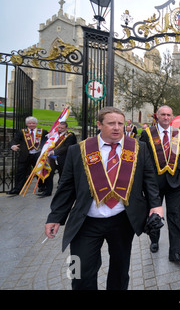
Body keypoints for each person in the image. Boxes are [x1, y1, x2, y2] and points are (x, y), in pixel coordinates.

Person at [44, 107, 163, 290]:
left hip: (122, 220)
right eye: (111, 123)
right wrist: (55, 217)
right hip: (86, 222)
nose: (117, 128)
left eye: (120, 124)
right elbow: (66, 187)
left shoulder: (139, 148)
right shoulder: (78, 150)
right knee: (79, 272)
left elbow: (149, 179)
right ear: (99, 124)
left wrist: (155, 206)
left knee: (120, 270)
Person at [140, 105, 180, 262]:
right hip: (154, 184)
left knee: (175, 217)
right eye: (163, 114)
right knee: (155, 215)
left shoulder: (179, 134)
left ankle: (175, 252)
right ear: (157, 116)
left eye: (168, 115)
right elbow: (142, 160)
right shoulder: (147, 134)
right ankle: (154, 241)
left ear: (172, 116)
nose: (166, 117)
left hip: (175, 184)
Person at [7, 117, 48, 195]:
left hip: (37, 155)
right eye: (29, 123)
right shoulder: (21, 132)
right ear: (26, 124)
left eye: (33, 123)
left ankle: (42, 186)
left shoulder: (43, 132)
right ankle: (17, 189)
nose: (31, 125)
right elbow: (14, 140)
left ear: (36, 124)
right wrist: (13, 146)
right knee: (20, 172)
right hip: (25, 155)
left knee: (39, 171)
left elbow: (48, 140)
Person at [40, 121, 78, 197]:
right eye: (59, 127)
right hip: (52, 158)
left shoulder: (70, 135)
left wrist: (54, 152)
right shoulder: (54, 134)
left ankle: (62, 191)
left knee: (63, 174)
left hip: (63, 158)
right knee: (50, 173)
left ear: (66, 128)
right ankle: (47, 191)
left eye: (62, 128)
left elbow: (67, 147)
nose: (60, 129)